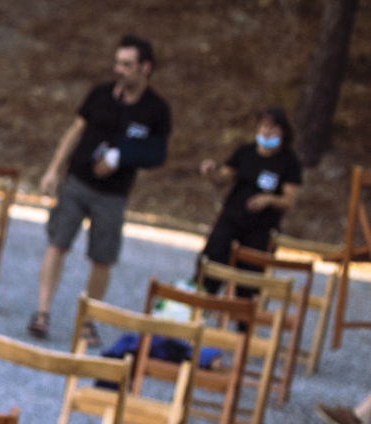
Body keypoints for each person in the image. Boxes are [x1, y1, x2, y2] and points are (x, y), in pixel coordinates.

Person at [29, 34, 172, 340]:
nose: (119, 69)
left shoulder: (156, 110)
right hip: (78, 182)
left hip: (113, 194)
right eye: (117, 62)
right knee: (58, 243)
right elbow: (75, 131)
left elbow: (158, 154)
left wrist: (121, 156)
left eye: (127, 64)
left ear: (145, 67)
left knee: (102, 257)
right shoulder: (101, 95)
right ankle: (42, 312)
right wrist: (53, 169)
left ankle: (88, 320)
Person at [196, 107, 303, 285]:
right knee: (210, 264)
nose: (266, 132)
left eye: (271, 128)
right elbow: (223, 177)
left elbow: (289, 200)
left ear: (282, 132)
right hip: (231, 219)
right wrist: (210, 172)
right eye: (263, 126)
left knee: (249, 279)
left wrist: (269, 199)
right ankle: (203, 304)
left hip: (261, 228)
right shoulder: (246, 151)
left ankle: (242, 309)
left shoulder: (289, 162)